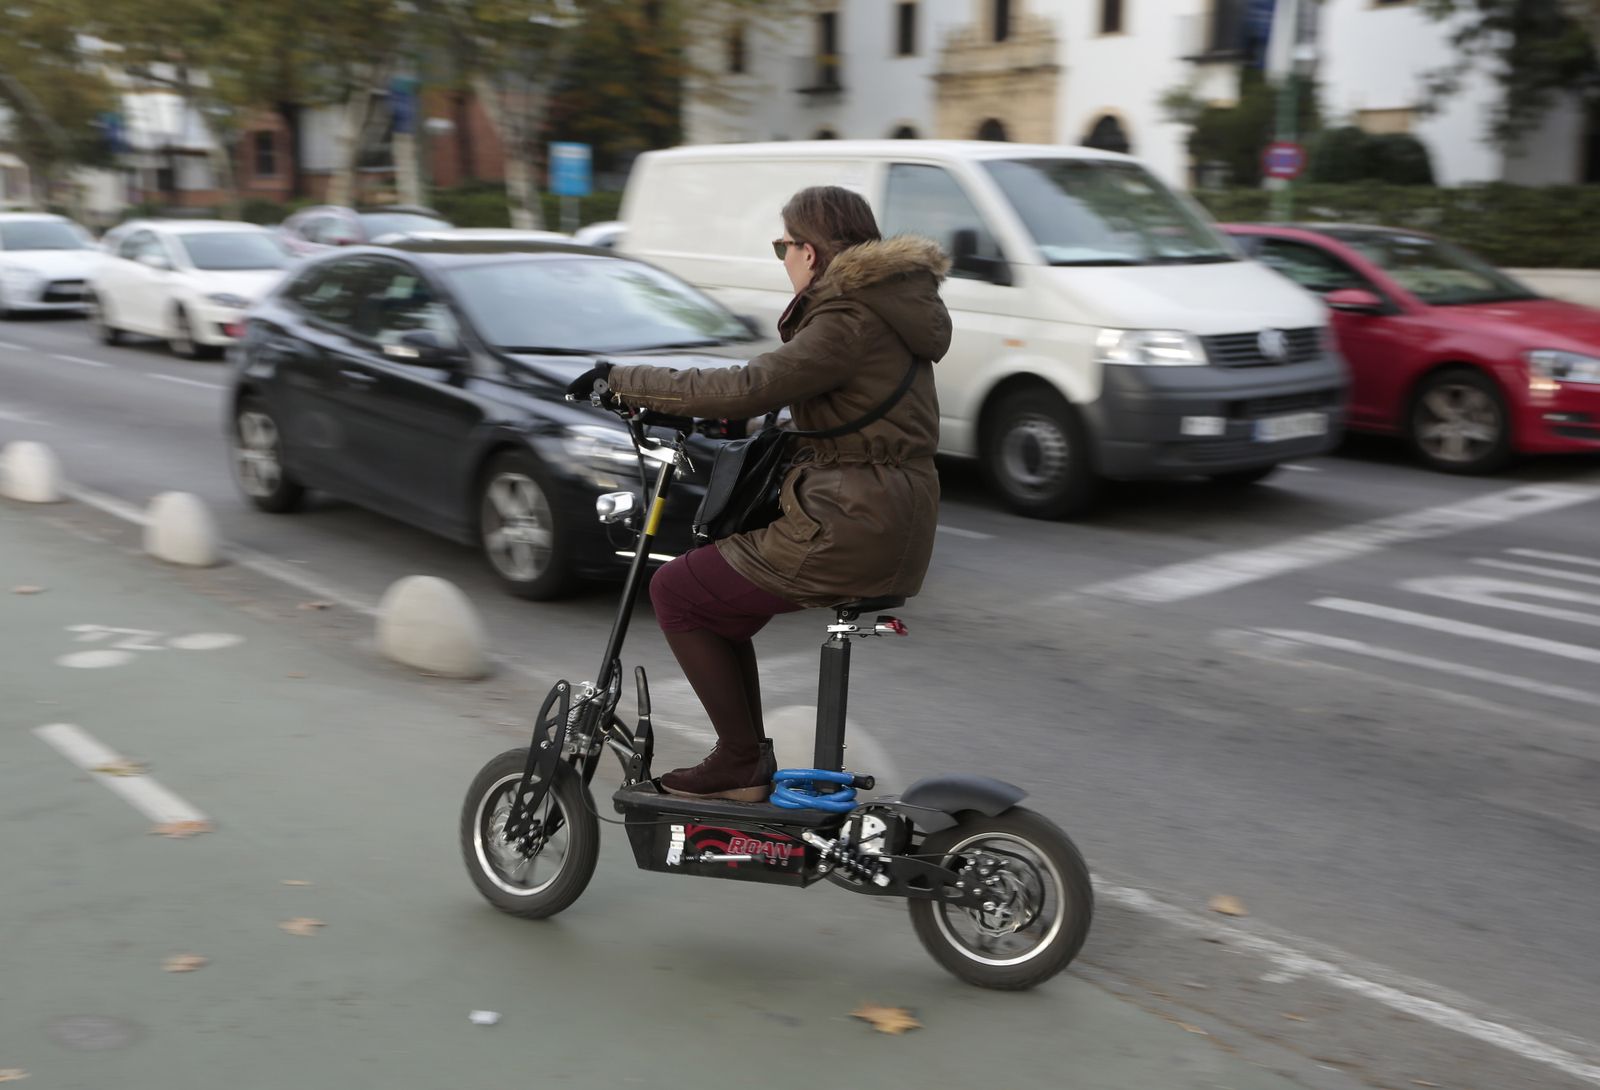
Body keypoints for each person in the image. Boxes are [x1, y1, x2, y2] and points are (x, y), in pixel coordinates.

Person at [565, 186, 951, 801]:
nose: (783, 260)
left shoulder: (848, 318)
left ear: (812, 251)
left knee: (678, 591)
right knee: (720, 600)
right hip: (890, 514)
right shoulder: (890, 311)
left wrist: (623, 379)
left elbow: (751, 383)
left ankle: (741, 760)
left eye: (783, 246)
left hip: (849, 521)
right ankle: (741, 759)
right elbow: (840, 407)